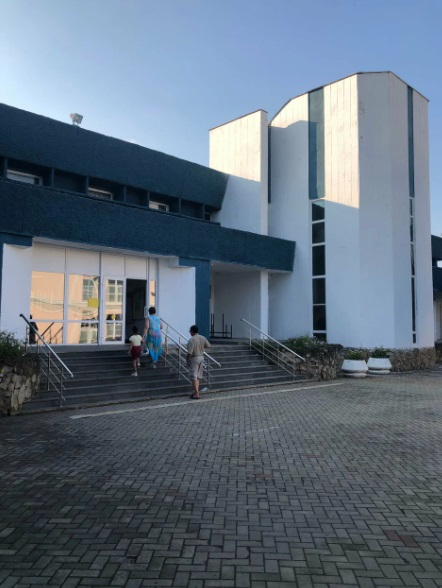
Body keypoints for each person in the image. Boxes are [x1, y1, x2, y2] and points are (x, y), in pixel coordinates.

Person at [187, 325, 211, 399]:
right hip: (201, 357)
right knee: (198, 376)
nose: (190, 333)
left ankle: (196, 393)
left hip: (194, 358)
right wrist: (202, 348)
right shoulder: (203, 337)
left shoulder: (192, 340)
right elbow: (208, 345)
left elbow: (190, 352)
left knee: (193, 376)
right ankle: (196, 392)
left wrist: (187, 359)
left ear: (192, 331)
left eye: (190, 331)